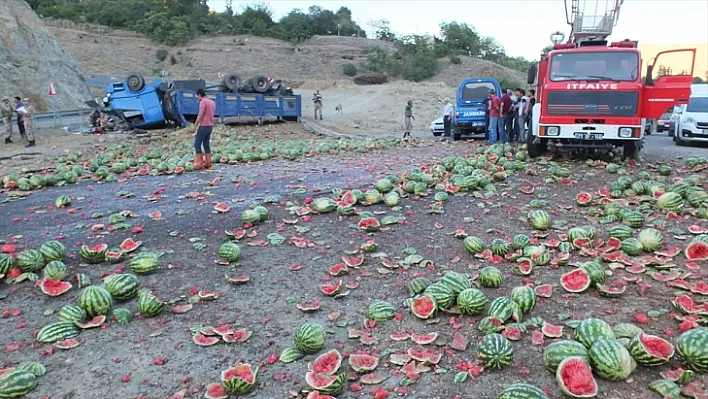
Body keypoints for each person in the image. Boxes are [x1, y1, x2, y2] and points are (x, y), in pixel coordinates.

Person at [192, 89, 216, 170]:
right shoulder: (212, 102)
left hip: (204, 126)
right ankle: (208, 163)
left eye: (197, 96)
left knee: (197, 144)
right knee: (206, 144)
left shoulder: (203, 102)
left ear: (199, 95)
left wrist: (195, 125)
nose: (197, 98)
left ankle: (199, 163)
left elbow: (201, 114)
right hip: (210, 126)